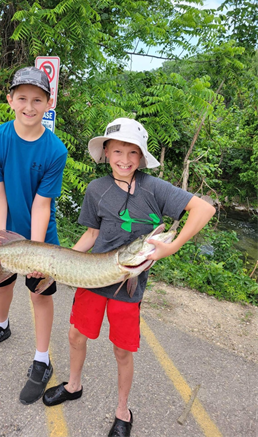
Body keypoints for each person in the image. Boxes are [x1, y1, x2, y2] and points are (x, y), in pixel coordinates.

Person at [42, 118, 216, 436]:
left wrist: (171, 247)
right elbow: (92, 234)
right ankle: (73, 385)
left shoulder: (154, 188)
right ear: (106, 152)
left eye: (133, 152)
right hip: (93, 279)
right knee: (76, 336)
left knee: (123, 350)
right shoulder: (96, 189)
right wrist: (58, 260)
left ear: (141, 157)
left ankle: (123, 410)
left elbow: (204, 209)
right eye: (118, 150)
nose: (125, 159)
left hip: (129, 285)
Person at [0, 67, 68, 405]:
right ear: (10, 99)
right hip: (4, 230)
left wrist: (35, 255)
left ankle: (42, 360)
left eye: (37, 99)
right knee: (0, 282)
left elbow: (42, 206)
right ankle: (2, 325)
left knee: (40, 293)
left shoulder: (55, 151)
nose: (30, 106)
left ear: (48, 103)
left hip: (41, 237)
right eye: (23, 98)